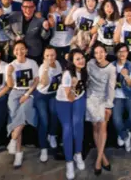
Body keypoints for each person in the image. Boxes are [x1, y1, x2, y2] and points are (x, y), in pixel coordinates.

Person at [6, 41, 39, 168]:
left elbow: (36, 80)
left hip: (29, 92)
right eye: (16, 50)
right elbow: (9, 85)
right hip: (15, 93)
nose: (19, 52)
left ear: (26, 50)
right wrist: (9, 73)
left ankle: (13, 139)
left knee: (24, 112)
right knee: (16, 121)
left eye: (22, 49)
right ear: (13, 52)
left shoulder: (32, 63)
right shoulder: (10, 65)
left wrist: (27, 94)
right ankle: (18, 153)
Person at [57, 49, 88, 180]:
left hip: (79, 97)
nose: (81, 61)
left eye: (82, 58)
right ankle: (69, 162)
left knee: (78, 125)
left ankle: (78, 154)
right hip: (65, 101)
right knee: (68, 129)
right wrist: (74, 86)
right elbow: (69, 97)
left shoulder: (84, 71)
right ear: (72, 61)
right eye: (77, 59)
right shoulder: (67, 75)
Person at [86, 43, 116, 175]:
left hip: (104, 99)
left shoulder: (111, 68)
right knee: (95, 127)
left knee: (102, 128)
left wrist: (109, 105)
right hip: (91, 98)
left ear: (106, 53)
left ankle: (98, 160)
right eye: (96, 52)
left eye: (101, 52)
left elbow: (111, 88)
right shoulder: (90, 63)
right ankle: (102, 156)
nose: (99, 55)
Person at [34, 46, 63, 162]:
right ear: (44, 57)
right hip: (42, 95)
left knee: (55, 113)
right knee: (44, 121)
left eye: (52, 55)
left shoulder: (58, 64)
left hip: (53, 94)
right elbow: (44, 83)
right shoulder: (42, 68)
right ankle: (43, 148)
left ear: (55, 55)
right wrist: (46, 69)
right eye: (47, 56)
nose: (50, 58)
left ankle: (52, 135)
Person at [4, 0, 51, 64]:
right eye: (25, 7)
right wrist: (14, 37)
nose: (28, 10)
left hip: (33, 51)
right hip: (16, 51)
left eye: (31, 7)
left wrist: (46, 29)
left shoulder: (40, 19)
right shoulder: (13, 15)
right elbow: (6, 30)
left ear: (34, 8)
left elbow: (44, 37)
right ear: (22, 7)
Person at [111, 43, 131, 152]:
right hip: (116, 96)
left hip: (130, 95)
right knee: (116, 119)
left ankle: (124, 132)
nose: (122, 54)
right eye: (120, 51)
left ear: (128, 53)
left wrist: (126, 76)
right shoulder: (111, 65)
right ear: (116, 53)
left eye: (124, 51)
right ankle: (126, 137)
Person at [48, 0, 74, 67]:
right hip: (55, 44)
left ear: (66, 0)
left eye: (62, 0)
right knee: (55, 67)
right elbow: (51, 25)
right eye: (58, 1)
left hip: (69, 44)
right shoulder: (53, 12)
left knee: (69, 67)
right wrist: (50, 14)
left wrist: (61, 14)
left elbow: (73, 26)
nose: (60, 2)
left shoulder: (71, 11)